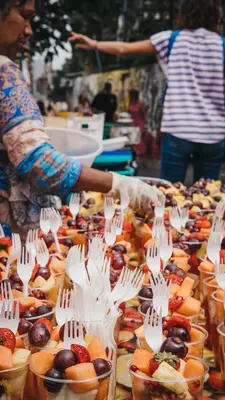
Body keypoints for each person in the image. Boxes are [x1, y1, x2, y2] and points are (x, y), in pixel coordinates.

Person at [0, 0, 163, 233]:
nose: (29, 29)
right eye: (24, 15)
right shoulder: (4, 72)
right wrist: (122, 185)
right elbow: (41, 165)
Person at [70, 0, 225, 184]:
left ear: (184, 13)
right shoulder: (222, 45)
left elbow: (124, 49)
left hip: (178, 130)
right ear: (215, 15)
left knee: (170, 191)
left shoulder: (171, 39)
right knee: (209, 193)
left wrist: (95, 44)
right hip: (213, 133)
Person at [129, 89, 148, 156]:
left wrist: (145, 124)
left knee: (139, 140)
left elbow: (144, 114)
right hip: (132, 124)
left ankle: (140, 154)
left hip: (140, 124)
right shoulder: (132, 102)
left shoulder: (140, 103)